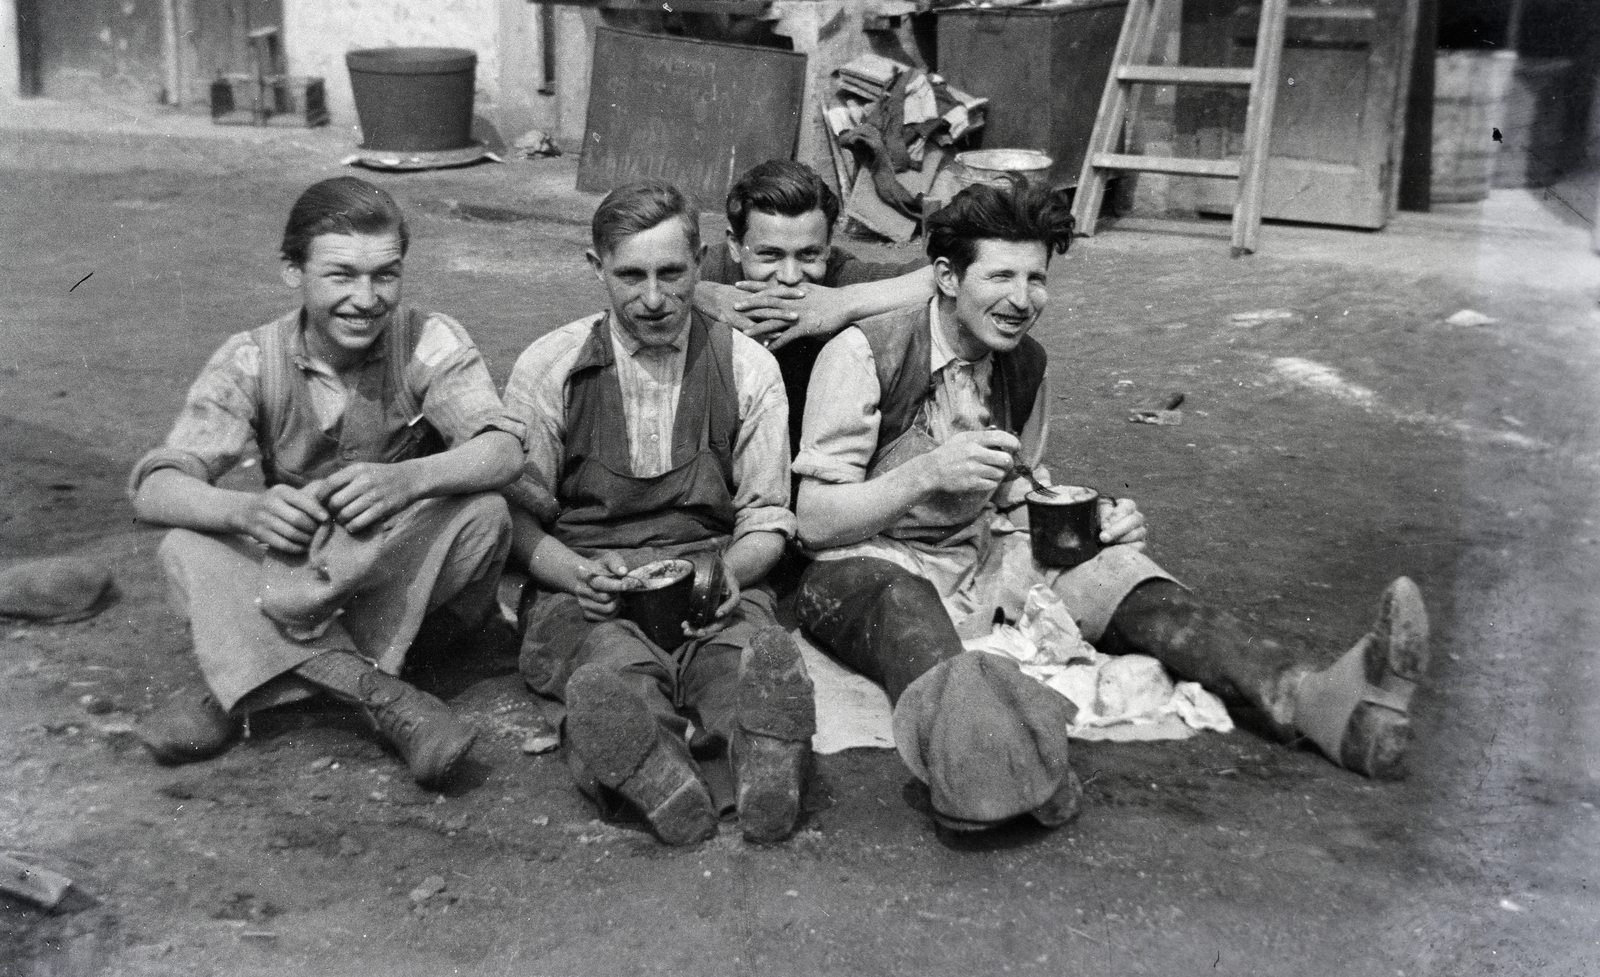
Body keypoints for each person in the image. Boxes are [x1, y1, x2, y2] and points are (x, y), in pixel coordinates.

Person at [791, 180, 1430, 831]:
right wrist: (927, 471)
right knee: (905, 606)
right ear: (948, 277)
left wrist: (1094, 521)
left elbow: (1015, 488)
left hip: (978, 552)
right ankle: (979, 756)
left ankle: (1315, 699)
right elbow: (814, 520)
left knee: (1117, 571)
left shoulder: (1025, 364)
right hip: (865, 562)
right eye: (1002, 275)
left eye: (1036, 278)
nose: (1022, 299)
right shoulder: (866, 351)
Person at [130, 177, 524, 789]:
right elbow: (156, 486)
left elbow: (502, 450)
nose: (366, 298)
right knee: (184, 544)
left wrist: (409, 479)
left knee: (485, 515)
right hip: (298, 567)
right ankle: (381, 696)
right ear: (294, 270)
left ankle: (243, 680)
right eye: (342, 275)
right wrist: (245, 512)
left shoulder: (428, 339)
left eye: (385, 275)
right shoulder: (251, 358)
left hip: (386, 569)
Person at [503, 182, 815, 846]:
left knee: (741, 664)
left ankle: (766, 767)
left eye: (671, 272)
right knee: (612, 672)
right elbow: (517, 519)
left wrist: (730, 571)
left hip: (709, 578)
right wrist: (573, 570)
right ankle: (658, 775)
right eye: (630, 275)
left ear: (701, 263)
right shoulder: (550, 368)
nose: (652, 298)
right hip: (590, 588)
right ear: (596, 269)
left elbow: (767, 518)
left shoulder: (749, 367)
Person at [695, 160, 933, 457]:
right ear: (734, 245)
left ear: (829, 245)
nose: (791, 276)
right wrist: (700, 292)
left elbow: (954, 276)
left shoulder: (841, 276)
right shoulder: (708, 269)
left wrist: (845, 302)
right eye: (770, 255)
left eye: (808, 255)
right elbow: (630, 280)